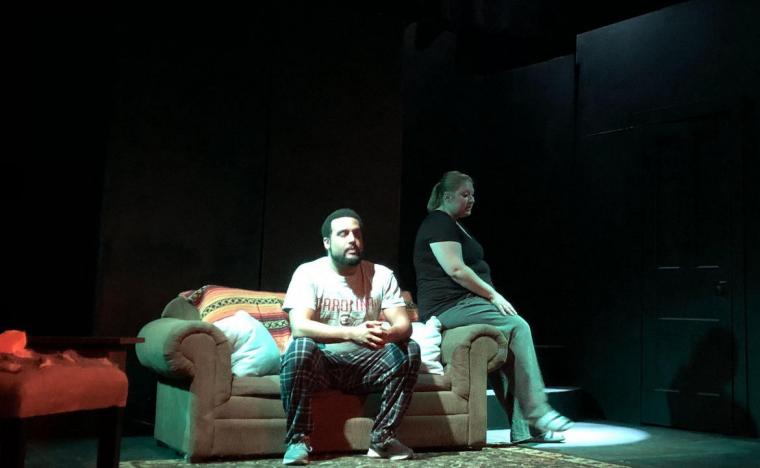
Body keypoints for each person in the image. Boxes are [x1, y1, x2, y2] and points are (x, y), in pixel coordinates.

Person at [413, 171, 573, 444]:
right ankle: (538, 412)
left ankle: (525, 430)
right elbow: (456, 269)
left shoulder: (453, 224)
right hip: (449, 305)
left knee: (507, 345)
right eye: (465, 194)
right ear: (447, 196)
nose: (471, 200)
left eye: (473, 194)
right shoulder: (439, 222)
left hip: (464, 303)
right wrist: (494, 296)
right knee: (517, 326)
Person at [280, 208, 421, 465]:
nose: (352, 240)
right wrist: (352, 333)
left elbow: (404, 325)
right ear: (327, 242)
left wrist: (384, 333)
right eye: (343, 234)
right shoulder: (308, 273)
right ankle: (298, 440)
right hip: (322, 364)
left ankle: (382, 438)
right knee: (301, 347)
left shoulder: (382, 275)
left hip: (364, 365)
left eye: (357, 234)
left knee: (408, 348)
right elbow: (299, 326)